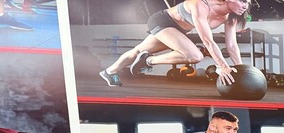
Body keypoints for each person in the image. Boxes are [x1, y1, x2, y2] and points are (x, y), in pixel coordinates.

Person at [99, 0, 251, 87]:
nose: (245, 6)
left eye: (248, 2)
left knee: (139, 51)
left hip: (178, 30)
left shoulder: (231, 17)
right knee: (195, 56)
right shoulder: (201, 4)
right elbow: (207, 40)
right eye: (242, 1)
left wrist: (242, 70)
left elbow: (232, 45)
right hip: (163, 21)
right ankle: (148, 60)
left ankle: (109, 71)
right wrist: (223, 66)